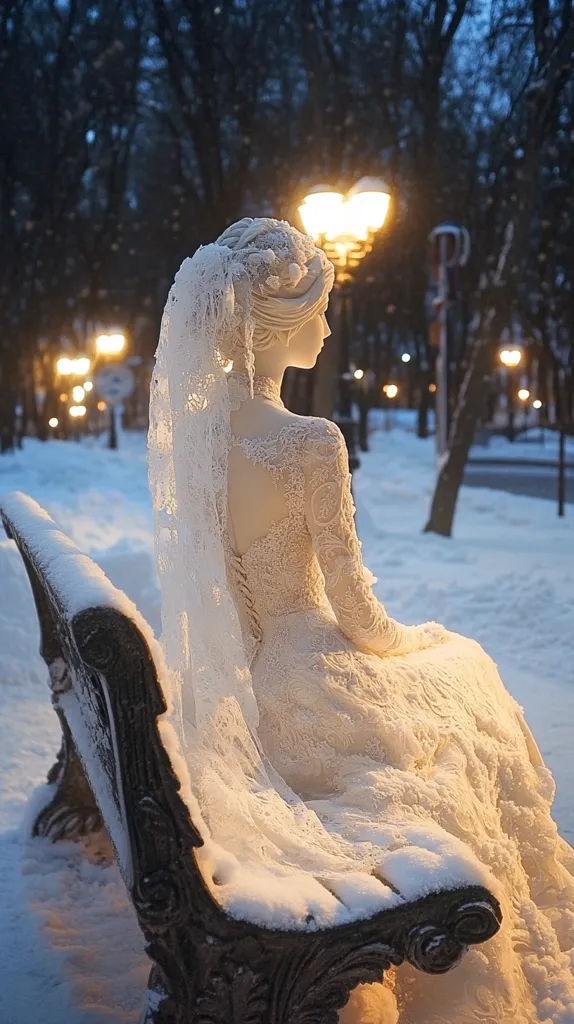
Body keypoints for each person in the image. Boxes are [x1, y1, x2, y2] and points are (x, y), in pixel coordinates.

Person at [148, 217, 574, 1023]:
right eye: (319, 314)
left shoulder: (199, 441)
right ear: (279, 327)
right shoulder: (311, 442)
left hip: (246, 674)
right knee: (469, 670)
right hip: (309, 669)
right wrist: (415, 644)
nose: (328, 329)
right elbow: (356, 610)